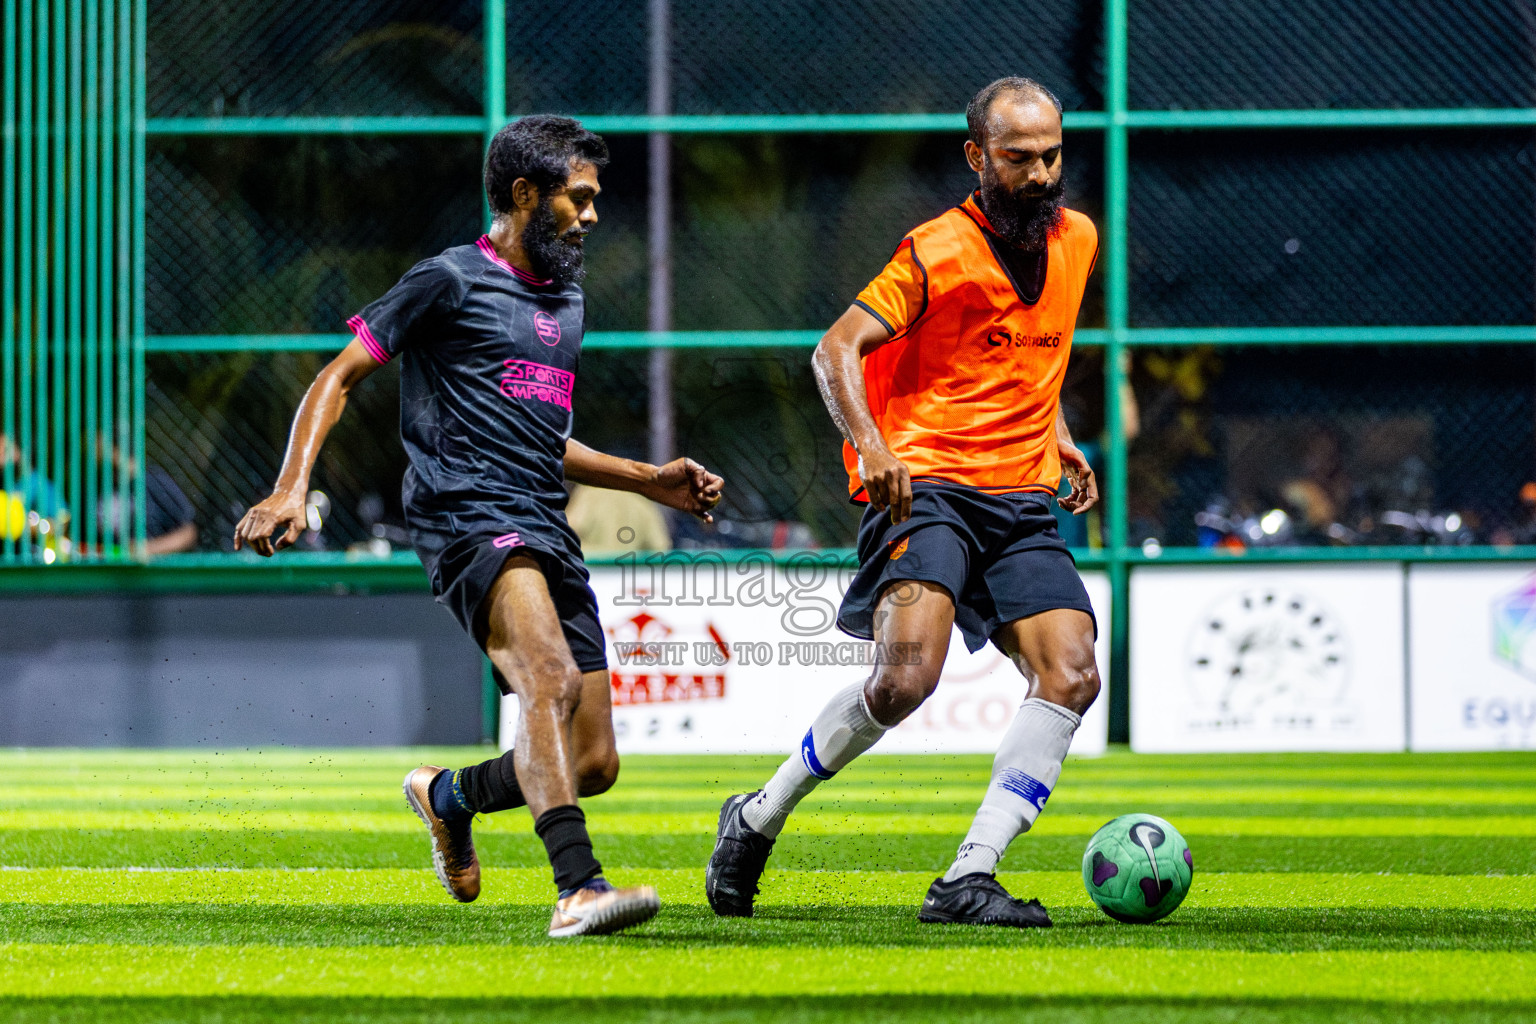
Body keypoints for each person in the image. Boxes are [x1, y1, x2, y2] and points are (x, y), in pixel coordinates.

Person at [234, 115, 724, 938]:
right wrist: (291, 487)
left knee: (595, 759)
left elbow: (542, 435)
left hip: (542, 515)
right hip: (465, 510)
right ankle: (578, 887)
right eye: (581, 198)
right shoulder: (448, 279)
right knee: (548, 678)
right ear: (526, 194)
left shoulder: (565, 301)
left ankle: (448, 795)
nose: (593, 215)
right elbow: (340, 374)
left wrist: (651, 480)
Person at [705, 77, 1101, 928]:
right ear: (977, 158)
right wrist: (875, 448)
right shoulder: (936, 250)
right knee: (903, 682)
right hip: (929, 488)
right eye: (1018, 158)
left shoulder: (1079, 239)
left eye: (1051, 155)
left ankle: (968, 878)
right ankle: (757, 816)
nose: (1039, 174)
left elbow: (1036, 353)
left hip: (1022, 496)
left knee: (1070, 673)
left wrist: (1058, 430)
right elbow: (834, 349)